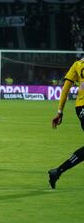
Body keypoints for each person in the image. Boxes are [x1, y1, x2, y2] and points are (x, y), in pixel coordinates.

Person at [49, 58, 84, 188]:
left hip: (81, 107)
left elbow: (65, 89)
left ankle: (57, 171)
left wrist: (60, 112)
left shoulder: (77, 64)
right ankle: (57, 171)